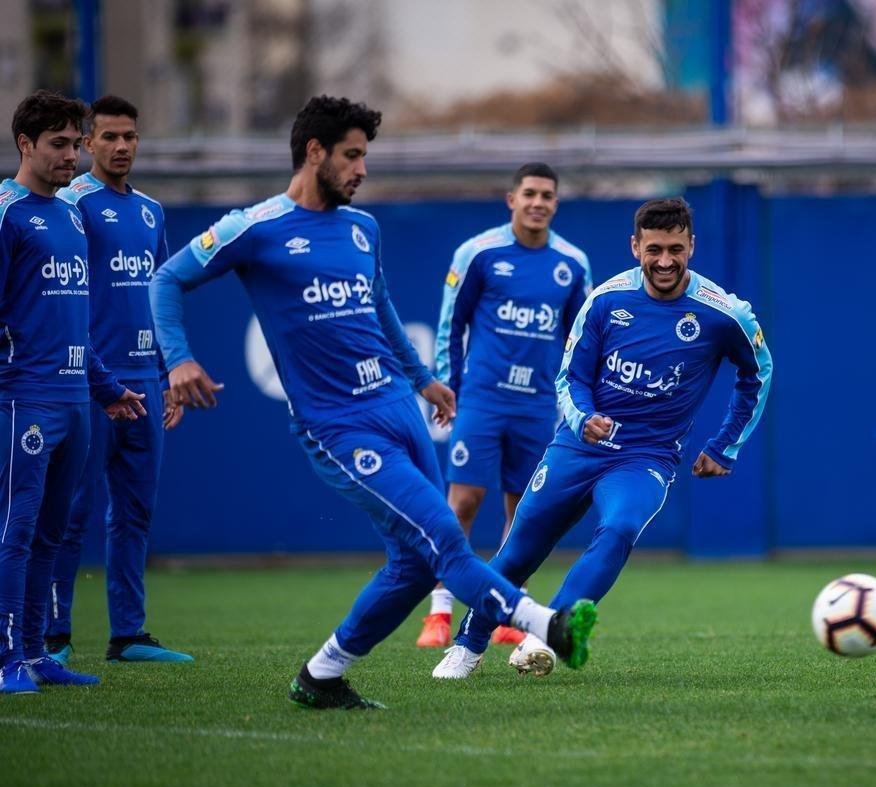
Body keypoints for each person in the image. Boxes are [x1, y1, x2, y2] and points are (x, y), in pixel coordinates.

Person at [149, 95, 597, 709]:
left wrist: (421, 379)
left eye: (365, 156)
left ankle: (322, 676)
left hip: (399, 408)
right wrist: (178, 359)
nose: (362, 169)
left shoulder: (363, 229)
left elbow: (381, 306)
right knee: (444, 534)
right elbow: (167, 278)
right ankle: (549, 626)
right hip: (337, 425)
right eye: (353, 156)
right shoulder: (253, 228)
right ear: (315, 152)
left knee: (415, 565)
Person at [433, 197, 772, 680]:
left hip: (646, 457)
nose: (665, 261)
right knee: (519, 550)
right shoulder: (606, 300)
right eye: (654, 249)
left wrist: (725, 444)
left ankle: (548, 632)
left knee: (619, 528)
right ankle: (467, 645)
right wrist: (584, 416)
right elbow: (570, 378)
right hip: (578, 446)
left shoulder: (724, 313)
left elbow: (759, 371)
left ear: (692, 246)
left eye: (676, 248)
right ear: (635, 246)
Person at [0, 91, 147, 694]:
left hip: (74, 402)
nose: (70, 155)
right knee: (16, 529)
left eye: (72, 143)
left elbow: (77, 321)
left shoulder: (70, 216)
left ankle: (36, 653)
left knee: (55, 535)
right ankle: (7, 657)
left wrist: (107, 387)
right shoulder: (7, 213)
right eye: (58, 144)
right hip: (23, 401)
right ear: (24, 145)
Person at [419, 162, 592, 649]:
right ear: (511, 198)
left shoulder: (572, 264)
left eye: (548, 196)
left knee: (524, 511)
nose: (538, 203)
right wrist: (447, 386)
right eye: (530, 193)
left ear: (556, 204)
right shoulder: (479, 253)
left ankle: (511, 611)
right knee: (465, 503)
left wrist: (575, 402)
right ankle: (439, 611)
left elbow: (581, 339)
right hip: (482, 399)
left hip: (538, 406)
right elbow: (451, 322)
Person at [45, 95, 191, 665]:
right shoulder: (73, 205)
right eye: (109, 137)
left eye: (130, 136)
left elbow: (158, 295)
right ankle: (53, 635)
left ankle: (127, 634)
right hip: (88, 384)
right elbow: (63, 295)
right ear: (87, 144)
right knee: (70, 511)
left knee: (134, 511)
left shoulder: (152, 211)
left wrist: (167, 373)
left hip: (146, 383)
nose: (122, 146)